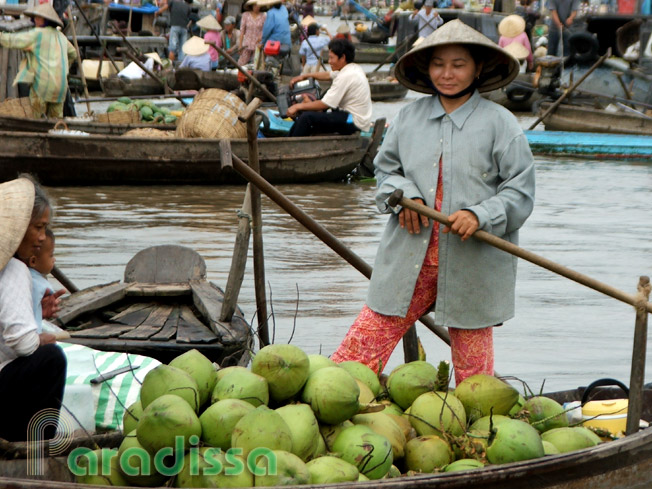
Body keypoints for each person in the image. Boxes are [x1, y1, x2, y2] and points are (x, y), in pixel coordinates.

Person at [330, 20, 535, 385]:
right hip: (410, 257)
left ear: (478, 68)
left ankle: (475, 430)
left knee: (475, 381)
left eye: (458, 64)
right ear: (426, 69)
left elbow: (519, 193)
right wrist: (403, 197)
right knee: (355, 358)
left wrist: (479, 214)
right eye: (439, 64)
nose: (447, 73)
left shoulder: (502, 124)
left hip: (472, 261)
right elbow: (385, 171)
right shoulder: (407, 118)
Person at [0, 176, 66, 441]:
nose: (42, 238)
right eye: (38, 228)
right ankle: (35, 449)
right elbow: (22, 344)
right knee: (51, 359)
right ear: (18, 228)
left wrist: (35, 310)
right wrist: (43, 338)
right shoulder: (14, 269)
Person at [0, 3, 76, 119]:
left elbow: (11, 40)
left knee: (37, 118)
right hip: (60, 87)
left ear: (45, 20)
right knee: (56, 120)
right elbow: (73, 53)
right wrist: (64, 67)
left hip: (43, 86)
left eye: (38, 17)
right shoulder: (61, 36)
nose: (35, 20)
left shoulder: (37, 34)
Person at [287, 38, 372, 137]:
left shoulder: (346, 76)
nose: (330, 61)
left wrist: (297, 106)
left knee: (306, 118)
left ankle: (290, 145)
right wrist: (305, 76)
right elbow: (328, 75)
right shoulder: (353, 68)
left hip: (353, 122)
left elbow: (325, 104)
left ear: (343, 58)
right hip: (354, 118)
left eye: (332, 58)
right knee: (323, 97)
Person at [29, 228, 56, 334]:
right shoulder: (35, 283)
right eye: (51, 255)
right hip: (31, 337)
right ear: (33, 261)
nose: (54, 259)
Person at [238, 0, 266, 66]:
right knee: (241, 63)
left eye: (258, 5)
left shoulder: (264, 16)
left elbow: (264, 30)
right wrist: (240, 45)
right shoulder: (245, 15)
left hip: (258, 44)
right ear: (252, 6)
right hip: (246, 44)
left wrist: (261, 39)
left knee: (256, 64)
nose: (257, 7)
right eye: (255, 5)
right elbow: (242, 31)